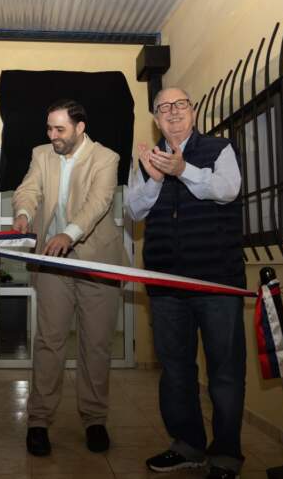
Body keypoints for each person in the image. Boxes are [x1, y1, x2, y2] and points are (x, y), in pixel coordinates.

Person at [124, 87, 246, 479]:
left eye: (180, 105)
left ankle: (226, 455)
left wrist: (184, 170)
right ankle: (188, 444)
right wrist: (157, 177)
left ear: (192, 112)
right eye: (164, 108)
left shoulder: (220, 149)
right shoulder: (145, 159)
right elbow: (134, 209)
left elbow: (228, 191)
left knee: (225, 372)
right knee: (176, 370)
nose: (173, 113)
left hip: (217, 282)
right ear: (156, 118)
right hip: (165, 285)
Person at [12, 99, 124, 456]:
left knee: (96, 344)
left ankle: (94, 420)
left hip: (97, 261)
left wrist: (69, 233)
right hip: (52, 262)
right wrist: (25, 214)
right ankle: (39, 422)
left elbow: (98, 202)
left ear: (80, 128)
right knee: (49, 341)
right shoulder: (41, 154)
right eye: (49, 128)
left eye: (59, 129)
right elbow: (29, 189)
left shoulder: (106, 158)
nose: (52, 135)